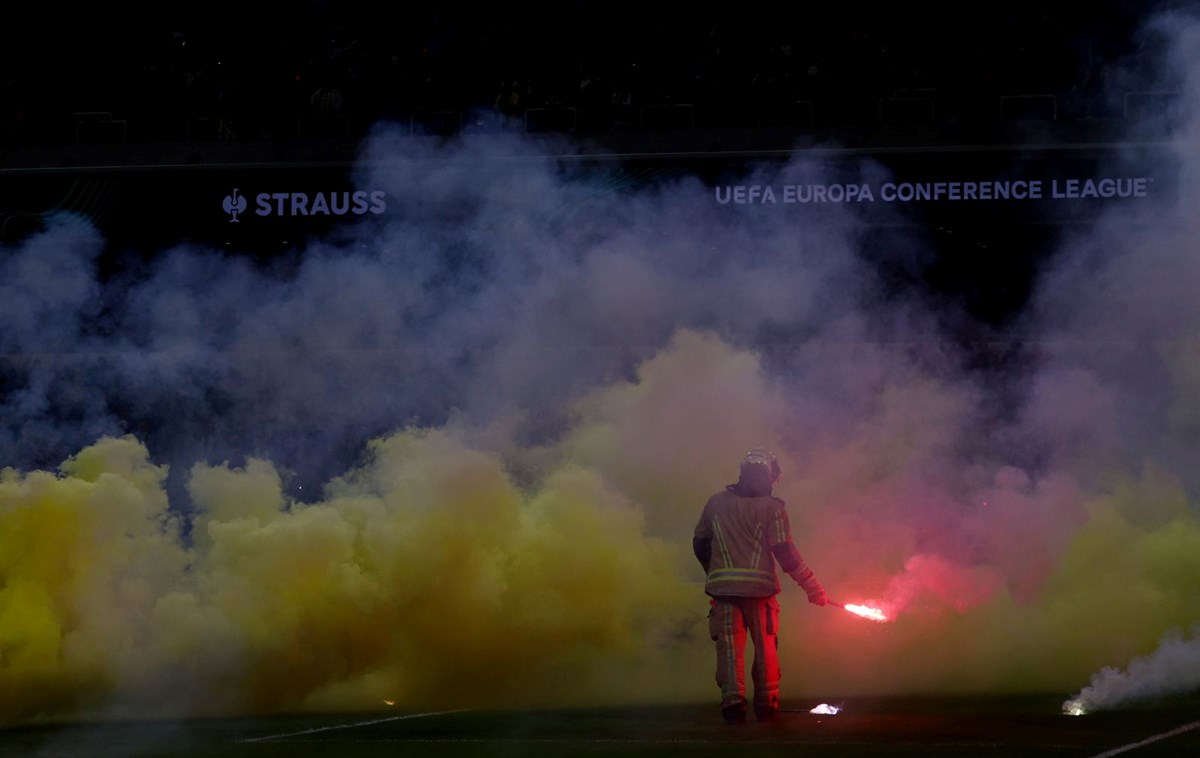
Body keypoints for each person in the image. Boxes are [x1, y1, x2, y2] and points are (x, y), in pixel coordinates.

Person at [693, 448, 827, 724]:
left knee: (729, 646)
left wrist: (714, 572)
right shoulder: (772, 508)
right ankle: (767, 704)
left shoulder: (715, 503)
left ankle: (733, 701)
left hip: (723, 590)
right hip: (761, 592)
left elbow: (699, 542)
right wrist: (812, 586)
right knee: (765, 646)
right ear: (769, 476)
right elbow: (784, 552)